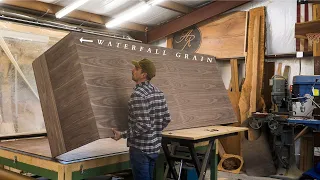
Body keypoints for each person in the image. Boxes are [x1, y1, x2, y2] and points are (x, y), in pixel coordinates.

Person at [112, 58, 171, 180]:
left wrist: (122, 135)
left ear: (143, 75)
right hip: (154, 148)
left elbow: (143, 125)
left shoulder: (138, 95)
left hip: (140, 150)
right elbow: (166, 118)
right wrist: (154, 133)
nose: (132, 70)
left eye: (137, 68)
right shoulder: (158, 92)